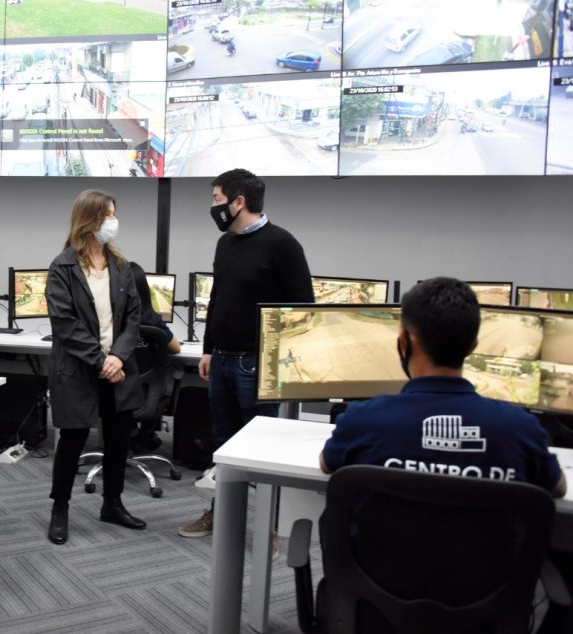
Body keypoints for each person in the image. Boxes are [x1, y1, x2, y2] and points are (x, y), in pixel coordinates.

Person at [320, 277, 566, 497]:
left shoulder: (363, 419)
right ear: (472, 346)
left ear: (403, 343)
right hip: (482, 550)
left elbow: (326, 464)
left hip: (381, 548)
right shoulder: (519, 428)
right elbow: (557, 487)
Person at [179, 168, 314, 539]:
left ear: (240, 202)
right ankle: (220, 514)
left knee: (262, 450)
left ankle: (268, 530)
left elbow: (303, 308)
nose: (213, 207)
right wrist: (208, 349)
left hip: (258, 364)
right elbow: (218, 298)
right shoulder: (226, 243)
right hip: (221, 359)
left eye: (217, 199)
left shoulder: (282, 244)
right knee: (224, 446)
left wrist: (278, 362)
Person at [45, 189, 145, 545]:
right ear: (90, 220)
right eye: (108, 215)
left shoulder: (120, 265)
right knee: (72, 441)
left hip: (118, 367)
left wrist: (118, 355)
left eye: (114, 214)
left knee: (118, 440)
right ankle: (60, 509)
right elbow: (64, 323)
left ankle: (112, 504)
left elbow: (134, 316)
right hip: (82, 369)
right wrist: (103, 361)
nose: (114, 222)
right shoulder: (63, 267)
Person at [130, 261, 180, 453]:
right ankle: (144, 436)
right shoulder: (154, 321)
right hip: (148, 395)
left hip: (117, 393)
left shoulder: (111, 321)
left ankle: (132, 434)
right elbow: (175, 349)